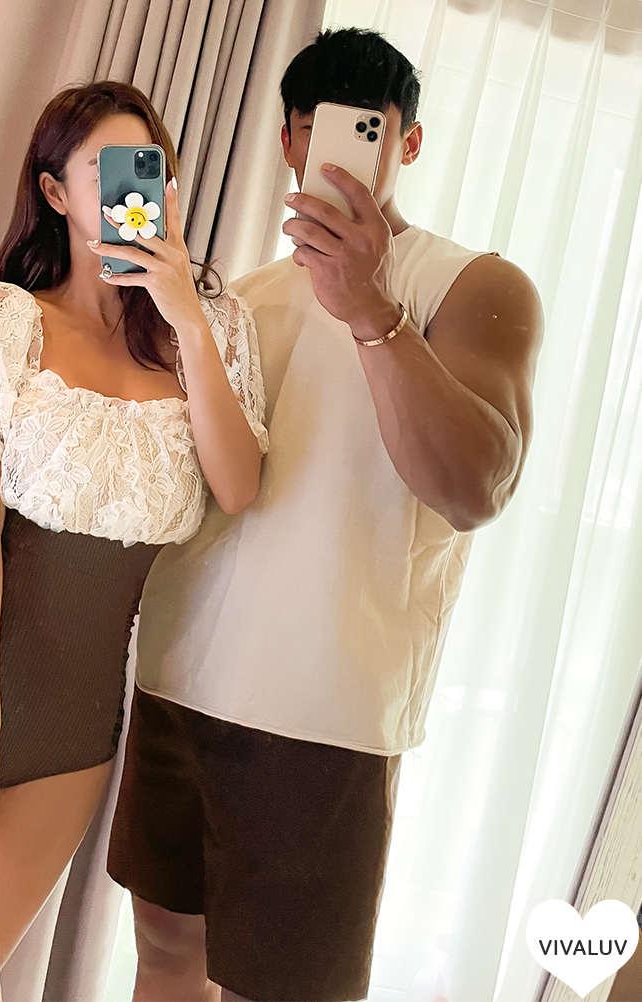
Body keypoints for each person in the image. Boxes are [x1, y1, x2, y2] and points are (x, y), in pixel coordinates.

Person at [101, 27, 545, 1002]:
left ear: (407, 144)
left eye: (363, 129)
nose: (332, 150)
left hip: (325, 714)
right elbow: (174, 479)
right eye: (311, 128)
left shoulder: (473, 285)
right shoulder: (238, 297)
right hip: (179, 674)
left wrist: (371, 311)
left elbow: (477, 486)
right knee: (164, 960)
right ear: (288, 143)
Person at [0, 81, 268, 1002]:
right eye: (102, 171)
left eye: (147, 169)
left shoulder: (215, 331)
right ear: (57, 192)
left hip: (73, 734)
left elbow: (238, 486)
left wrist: (186, 317)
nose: (127, 191)